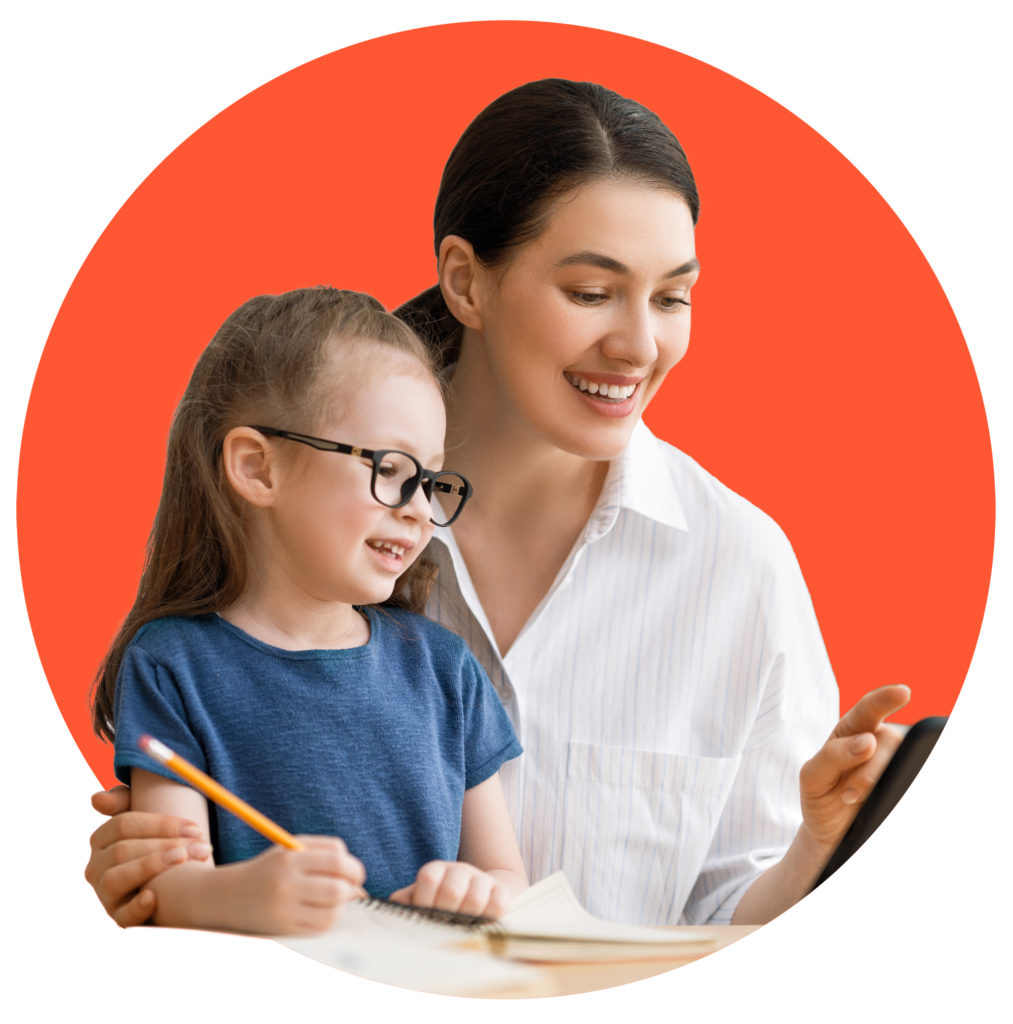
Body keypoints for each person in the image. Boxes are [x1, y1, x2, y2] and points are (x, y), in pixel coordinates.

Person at [86, 79, 909, 930]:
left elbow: (725, 925)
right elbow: (186, 884)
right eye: (591, 293)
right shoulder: (315, 524)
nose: (639, 345)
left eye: (672, 298)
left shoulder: (740, 567)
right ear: (464, 281)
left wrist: (819, 849)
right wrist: (172, 893)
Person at [89, 286, 527, 935]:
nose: (417, 508)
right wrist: (244, 896)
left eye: (431, 480)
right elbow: (162, 886)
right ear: (257, 468)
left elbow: (506, 878)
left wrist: (475, 889)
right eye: (390, 468)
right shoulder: (173, 664)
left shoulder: (443, 668)